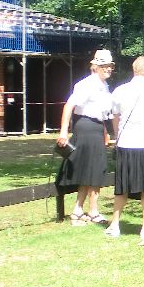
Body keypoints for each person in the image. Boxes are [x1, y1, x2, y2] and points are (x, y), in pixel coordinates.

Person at [105, 55, 144, 242]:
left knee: (122, 186)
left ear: (134, 69)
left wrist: (118, 136)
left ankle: (114, 225)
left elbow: (115, 117)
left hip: (126, 142)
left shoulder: (120, 90)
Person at [56, 49, 115, 225]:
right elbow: (69, 106)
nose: (108, 68)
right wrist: (63, 132)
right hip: (86, 127)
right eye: (104, 65)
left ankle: (78, 210)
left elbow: (101, 114)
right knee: (96, 169)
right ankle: (93, 212)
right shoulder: (87, 84)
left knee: (90, 170)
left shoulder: (104, 85)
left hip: (96, 128)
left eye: (110, 65)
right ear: (95, 66)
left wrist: (105, 132)